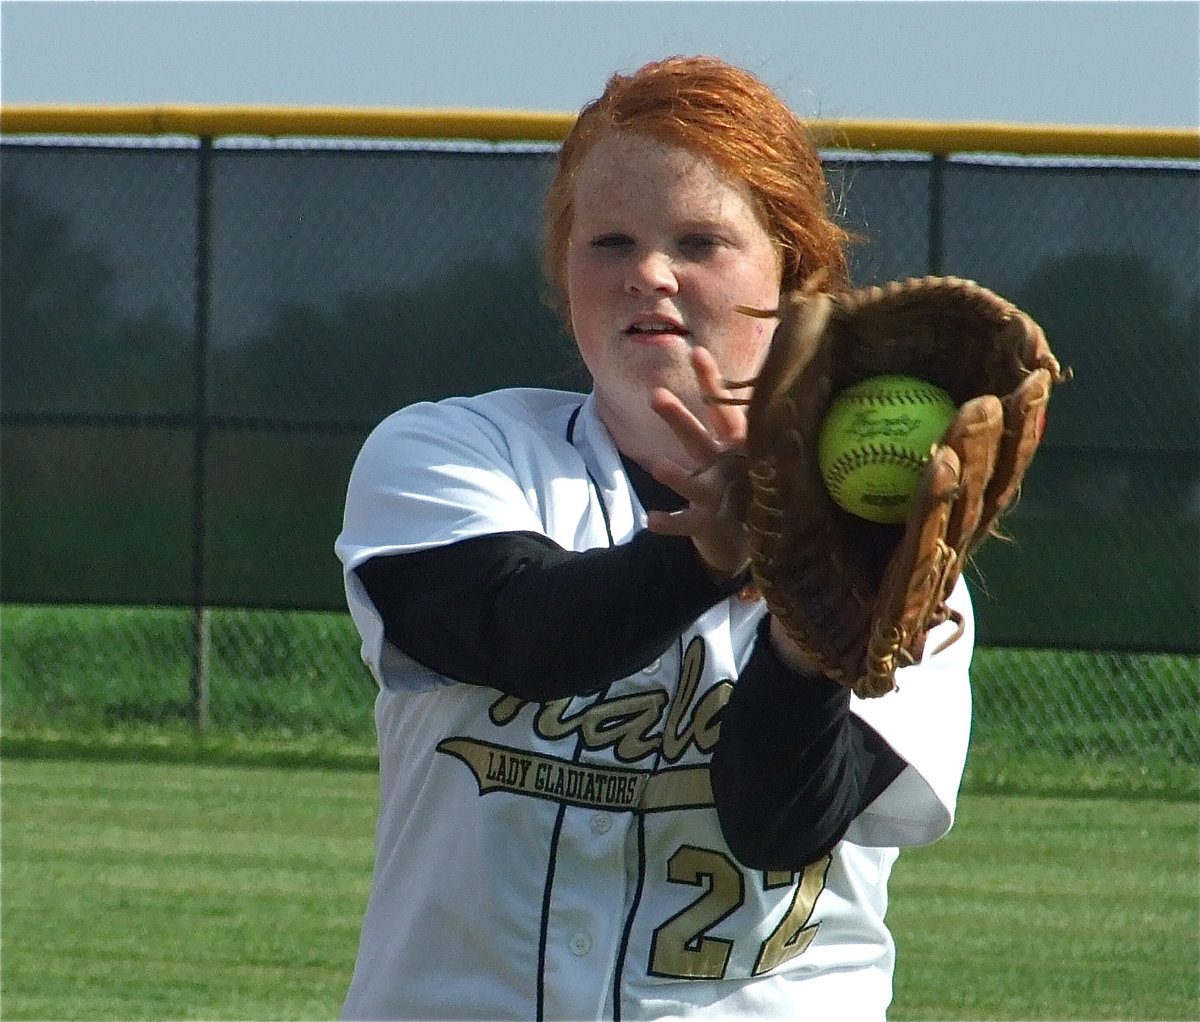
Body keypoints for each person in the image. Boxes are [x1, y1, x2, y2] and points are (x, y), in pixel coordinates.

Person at [335, 55, 972, 1022]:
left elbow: (779, 823)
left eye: (702, 241)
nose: (648, 274)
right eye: (610, 242)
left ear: (792, 274)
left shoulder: (898, 551)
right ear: (564, 270)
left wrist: (810, 638)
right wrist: (707, 552)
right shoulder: (453, 455)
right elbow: (527, 636)